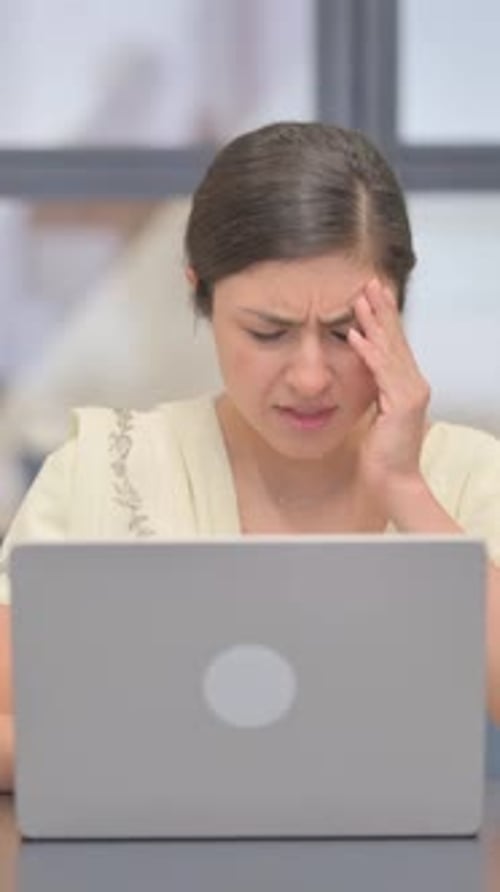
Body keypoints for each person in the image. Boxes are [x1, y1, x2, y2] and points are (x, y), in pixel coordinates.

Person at [0, 121, 499, 790]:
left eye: (348, 332)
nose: (311, 377)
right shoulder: (104, 468)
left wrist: (404, 489)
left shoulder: (465, 476)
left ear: (400, 305)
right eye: (269, 332)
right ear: (200, 291)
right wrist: (151, 766)